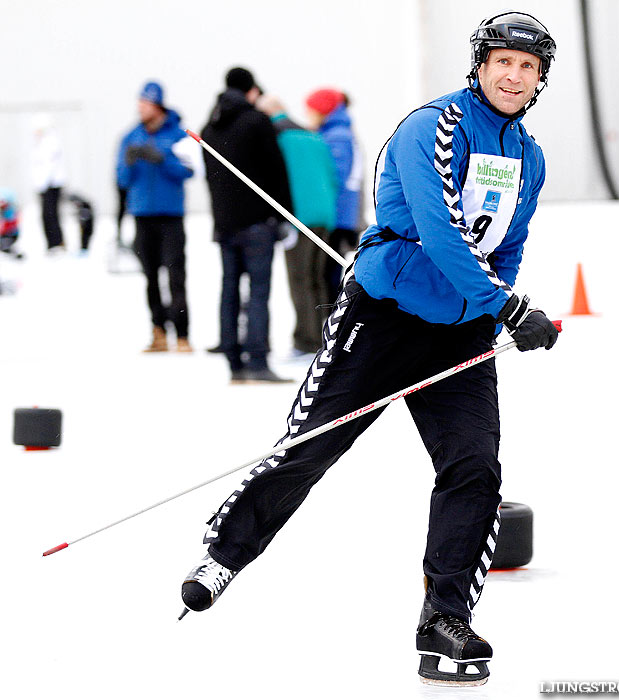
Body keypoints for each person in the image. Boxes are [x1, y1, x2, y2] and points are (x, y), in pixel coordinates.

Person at [180, 11, 559, 688]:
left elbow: (508, 245)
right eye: (503, 61)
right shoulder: (435, 127)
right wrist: (508, 305)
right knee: (312, 446)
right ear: (479, 66)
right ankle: (224, 551)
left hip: (460, 333)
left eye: (527, 67)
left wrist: (501, 308)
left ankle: (445, 617)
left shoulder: (528, 156)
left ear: (539, 82)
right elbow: (441, 233)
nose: (514, 75)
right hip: (384, 316)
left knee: (474, 467)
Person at [200, 67, 293, 382]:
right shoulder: (256, 122)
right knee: (257, 292)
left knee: (229, 288)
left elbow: (211, 180)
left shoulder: (209, 128)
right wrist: (285, 217)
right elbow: (277, 172)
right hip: (257, 223)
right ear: (251, 91)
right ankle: (257, 361)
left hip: (225, 224)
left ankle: (233, 360)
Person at [116, 81, 197, 353]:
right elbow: (122, 179)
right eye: (139, 104)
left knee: (175, 276)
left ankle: (183, 334)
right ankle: (158, 331)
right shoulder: (130, 137)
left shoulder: (176, 136)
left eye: (145, 104)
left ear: (158, 106)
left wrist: (162, 159)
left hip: (171, 216)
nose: (140, 109)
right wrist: (128, 163)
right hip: (142, 215)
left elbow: (188, 171)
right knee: (150, 276)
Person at [256, 94, 338, 357]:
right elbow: (332, 176)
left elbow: (275, 178)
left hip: (298, 217)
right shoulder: (314, 137)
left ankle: (306, 341)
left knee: (300, 279)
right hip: (325, 215)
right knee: (317, 278)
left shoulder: (276, 138)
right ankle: (323, 337)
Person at [305, 88, 363, 304]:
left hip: (337, 214)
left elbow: (335, 177)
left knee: (328, 274)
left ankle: (331, 321)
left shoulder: (336, 136)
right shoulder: (340, 132)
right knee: (329, 273)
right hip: (342, 213)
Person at [30, 113, 66, 253]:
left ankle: (56, 243)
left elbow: (48, 166)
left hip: (51, 186)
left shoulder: (50, 142)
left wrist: (43, 185)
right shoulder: (40, 143)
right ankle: (52, 243)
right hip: (45, 186)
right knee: (47, 215)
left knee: (50, 215)